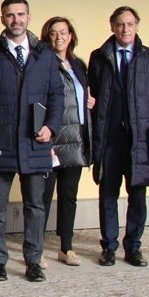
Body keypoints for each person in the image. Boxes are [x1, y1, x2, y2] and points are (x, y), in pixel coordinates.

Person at [0, 0, 64, 282]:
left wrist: (51, 127)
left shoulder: (44, 53)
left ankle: (33, 262)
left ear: (29, 17)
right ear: (2, 19)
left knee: (35, 206)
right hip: (0, 143)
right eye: (10, 15)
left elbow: (56, 95)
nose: (16, 20)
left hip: (35, 142)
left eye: (21, 14)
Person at [87, 6, 149, 268]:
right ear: (112, 27)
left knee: (138, 195)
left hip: (140, 139)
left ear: (137, 26)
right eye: (121, 24)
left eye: (130, 24)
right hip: (109, 138)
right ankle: (109, 247)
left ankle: (133, 247)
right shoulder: (99, 57)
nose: (126, 29)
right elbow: (92, 97)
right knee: (107, 195)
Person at [39, 16, 93, 267]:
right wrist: (45, 140)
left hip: (75, 140)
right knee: (43, 197)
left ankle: (66, 248)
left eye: (63, 32)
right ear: (47, 37)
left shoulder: (78, 65)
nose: (58, 37)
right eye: (53, 33)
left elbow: (83, 96)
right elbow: (39, 102)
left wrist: (89, 102)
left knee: (69, 196)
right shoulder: (42, 64)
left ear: (71, 36)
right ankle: (37, 249)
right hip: (52, 139)